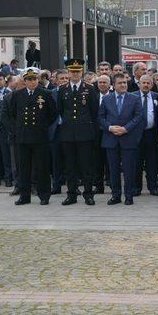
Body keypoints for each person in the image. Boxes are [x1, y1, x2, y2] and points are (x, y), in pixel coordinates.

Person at [10, 67, 58, 206]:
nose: (32, 82)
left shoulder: (45, 94)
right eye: (29, 79)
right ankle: (24, 196)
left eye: (34, 79)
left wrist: (43, 125)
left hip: (40, 136)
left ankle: (44, 195)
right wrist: (18, 128)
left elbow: (53, 113)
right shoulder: (17, 95)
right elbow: (13, 113)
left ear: (38, 80)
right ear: (24, 81)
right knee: (24, 168)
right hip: (23, 136)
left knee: (42, 167)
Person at [58, 59, 99, 206]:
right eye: (72, 71)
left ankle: (88, 194)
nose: (75, 74)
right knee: (70, 167)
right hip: (68, 133)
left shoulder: (89, 88)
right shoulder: (62, 89)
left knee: (86, 166)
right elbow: (61, 110)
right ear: (68, 73)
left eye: (78, 71)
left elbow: (94, 111)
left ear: (81, 72)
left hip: (85, 133)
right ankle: (72, 194)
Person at [99, 73, 144, 206]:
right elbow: (100, 117)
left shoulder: (134, 98)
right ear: (114, 85)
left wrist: (126, 129)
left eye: (125, 82)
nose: (123, 85)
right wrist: (110, 128)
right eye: (120, 83)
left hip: (128, 138)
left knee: (129, 169)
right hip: (111, 138)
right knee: (113, 169)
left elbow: (138, 116)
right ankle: (116, 195)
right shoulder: (107, 99)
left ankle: (129, 196)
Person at [133, 74, 158, 196]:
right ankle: (136, 188)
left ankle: (152, 187)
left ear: (152, 85)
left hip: (151, 134)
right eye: (143, 82)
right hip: (136, 135)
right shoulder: (132, 97)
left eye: (148, 83)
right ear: (139, 84)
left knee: (152, 162)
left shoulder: (157, 97)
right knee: (136, 162)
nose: (145, 85)